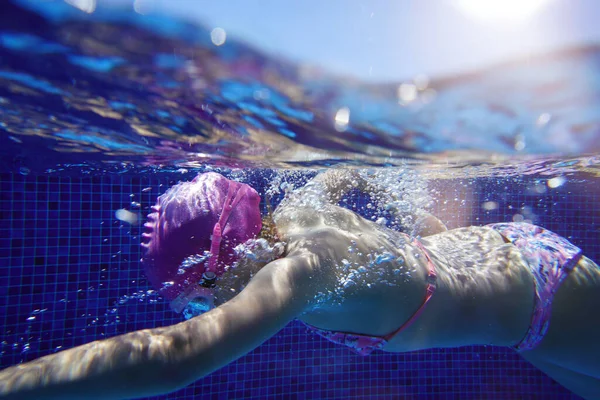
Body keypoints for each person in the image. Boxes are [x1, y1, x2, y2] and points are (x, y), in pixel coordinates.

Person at [0, 170, 599, 400]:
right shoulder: (297, 209)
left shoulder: (297, 272)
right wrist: (425, 226)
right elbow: (342, 175)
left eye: (206, 291)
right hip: (520, 294)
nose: (211, 305)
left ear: (227, 255)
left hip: (542, 291)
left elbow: (173, 357)